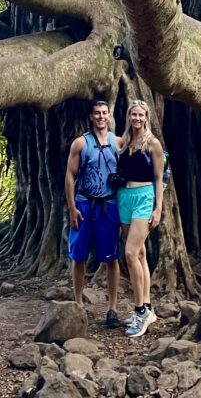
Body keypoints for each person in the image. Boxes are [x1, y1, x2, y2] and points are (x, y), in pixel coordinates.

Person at [65, 98, 123, 328]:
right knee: (78, 256)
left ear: (109, 116)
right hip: (84, 205)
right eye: (97, 113)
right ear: (91, 117)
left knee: (111, 258)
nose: (100, 116)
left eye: (104, 113)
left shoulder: (118, 142)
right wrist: (72, 208)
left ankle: (113, 308)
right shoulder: (81, 143)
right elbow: (70, 175)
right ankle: (78, 303)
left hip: (109, 205)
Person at [116, 98, 164, 338]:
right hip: (124, 196)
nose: (136, 119)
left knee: (130, 253)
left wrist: (158, 209)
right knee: (141, 253)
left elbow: (160, 178)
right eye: (133, 115)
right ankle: (147, 306)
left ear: (146, 118)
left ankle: (139, 311)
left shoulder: (152, 144)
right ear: (129, 117)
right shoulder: (123, 143)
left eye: (140, 115)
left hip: (144, 197)